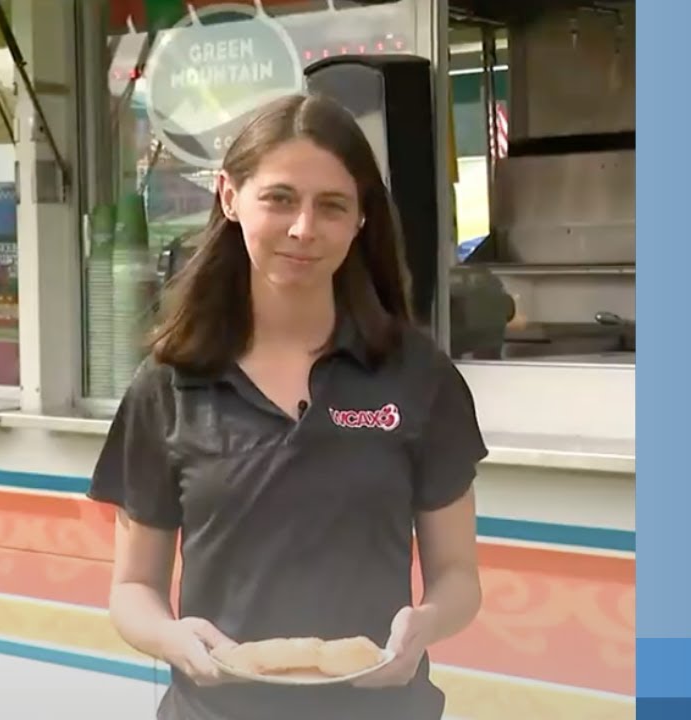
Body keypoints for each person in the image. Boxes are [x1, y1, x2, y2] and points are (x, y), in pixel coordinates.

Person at [87, 93, 488, 720]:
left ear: (360, 221)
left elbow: (459, 576)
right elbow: (133, 589)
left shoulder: (418, 376)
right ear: (229, 196)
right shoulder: (167, 385)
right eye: (279, 198)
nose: (304, 228)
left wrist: (426, 625)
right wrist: (174, 639)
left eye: (332, 205)